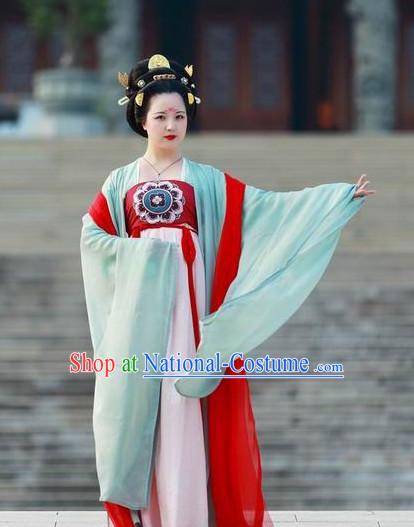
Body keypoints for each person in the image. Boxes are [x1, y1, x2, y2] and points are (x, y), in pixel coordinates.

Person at [80, 54, 376, 527]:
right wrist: (145, 255)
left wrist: (334, 199)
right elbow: (93, 239)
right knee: (145, 411)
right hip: (141, 319)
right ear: (141, 118)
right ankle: (150, 516)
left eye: (179, 115)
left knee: (184, 409)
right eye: (160, 116)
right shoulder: (120, 182)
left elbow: (269, 210)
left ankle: (190, 515)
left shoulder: (207, 181)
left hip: (191, 311)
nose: (171, 124)